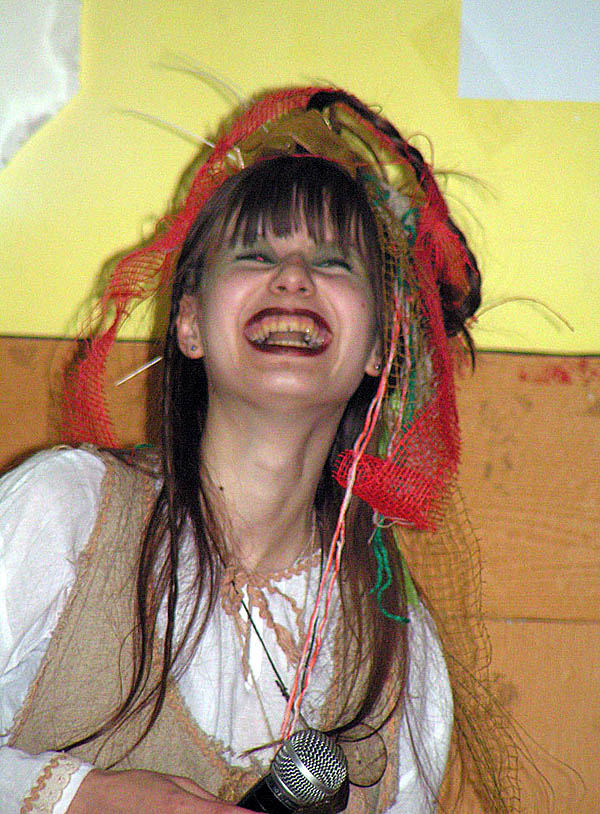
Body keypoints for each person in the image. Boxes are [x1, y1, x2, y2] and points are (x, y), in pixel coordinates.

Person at [0, 87, 518, 812]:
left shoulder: (397, 643)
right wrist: (83, 796)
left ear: (379, 345)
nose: (294, 277)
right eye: (255, 253)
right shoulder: (64, 512)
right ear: (188, 324)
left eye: (334, 264)